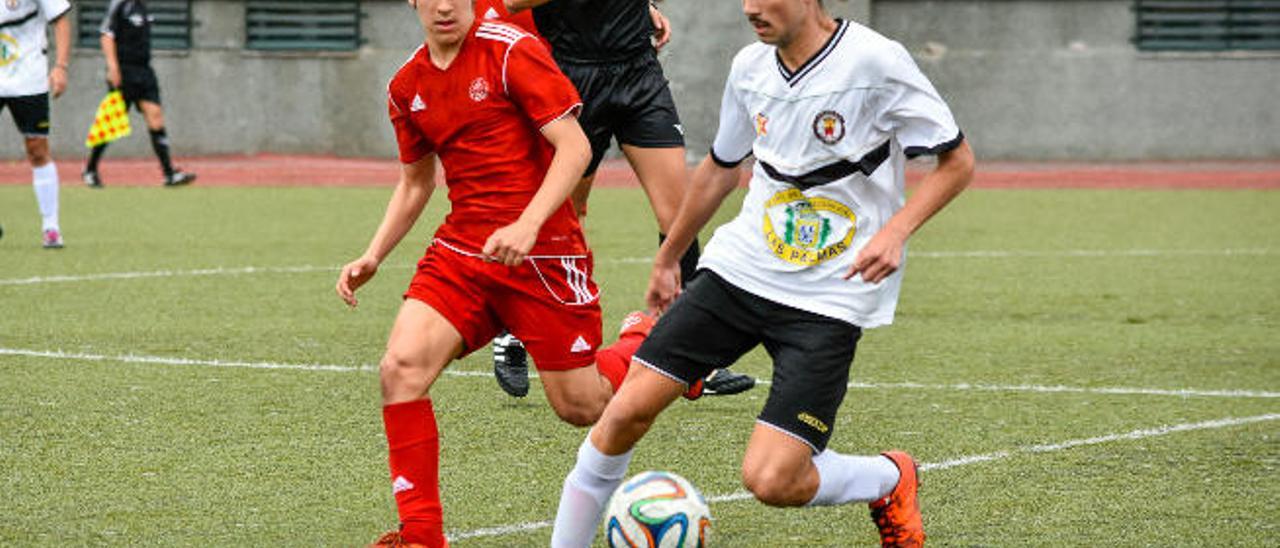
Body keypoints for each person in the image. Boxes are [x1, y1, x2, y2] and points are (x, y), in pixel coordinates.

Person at [549, 0, 975, 546]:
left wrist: (895, 231)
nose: (749, 7)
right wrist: (669, 256)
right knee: (625, 410)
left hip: (829, 298)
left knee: (774, 480)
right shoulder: (750, 66)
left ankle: (889, 478)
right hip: (739, 271)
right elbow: (720, 170)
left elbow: (957, 162)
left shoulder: (875, 62)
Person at [335, 1, 699, 545]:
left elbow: (575, 147)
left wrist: (529, 225)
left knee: (581, 406)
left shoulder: (512, 52)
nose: (443, 5)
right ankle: (421, 535)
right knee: (401, 369)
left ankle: (649, 342)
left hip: (546, 255)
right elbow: (416, 183)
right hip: (464, 252)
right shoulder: (406, 83)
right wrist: (373, 254)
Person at [490, 0, 757, 400]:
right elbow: (511, 3)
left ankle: (693, 351)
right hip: (574, 75)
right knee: (563, 213)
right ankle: (514, 331)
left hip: (638, 72)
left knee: (678, 214)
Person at [82, 0, 195, 188]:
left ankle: (169, 174)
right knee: (112, 122)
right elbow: (106, 35)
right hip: (123, 71)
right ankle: (90, 170)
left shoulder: (142, 6)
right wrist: (112, 67)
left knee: (156, 118)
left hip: (144, 72)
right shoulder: (120, 4)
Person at [1, 0, 70, 248]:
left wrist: (61, 67)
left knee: (37, 149)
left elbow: (61, 19)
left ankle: (51, 226)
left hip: (28, 77)